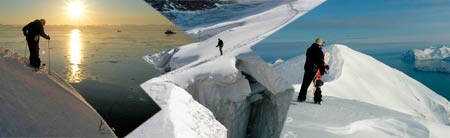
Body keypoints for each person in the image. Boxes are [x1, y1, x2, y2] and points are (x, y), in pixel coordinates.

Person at [297, 38, 329, 104]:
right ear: (320, 44)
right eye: (322, 44)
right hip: (315, 70)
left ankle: (301, 98)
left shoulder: (309, 49)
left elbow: (312, 60)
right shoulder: (319, 52)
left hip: (308, 69)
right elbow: (319, 62)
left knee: (305, 84)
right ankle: (317, 100)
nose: (322, 45)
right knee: (317, 84)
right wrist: (323, 70)